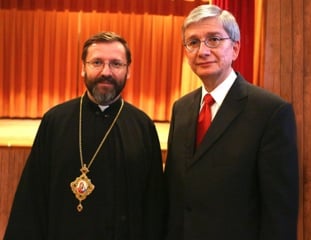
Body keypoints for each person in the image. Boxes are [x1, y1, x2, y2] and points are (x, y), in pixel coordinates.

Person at [4, 31, 164, 240]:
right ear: (83, 68)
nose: (106, 71)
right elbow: (32, 198)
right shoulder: (55, 121)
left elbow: (153, 207)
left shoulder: (142, 127)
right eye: (96, 62)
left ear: (128, 71)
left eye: (116, 64)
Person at [164, 4, 298, 240]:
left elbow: (279, 212)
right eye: (193, 42)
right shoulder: (181, 108)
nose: (202, 51)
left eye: (213, 39)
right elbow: (175, 193)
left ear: (235, 48)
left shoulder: (270, 112)